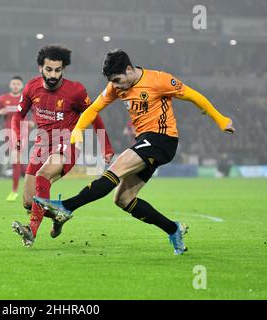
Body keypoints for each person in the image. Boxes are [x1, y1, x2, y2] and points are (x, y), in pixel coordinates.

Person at [34, 49, 235, 255]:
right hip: (145, 141)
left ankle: (67, 207)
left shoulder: (160, 80)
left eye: (119, 80)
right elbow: (93, 109)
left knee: (115, 169)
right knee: (123, 199)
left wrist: (220, 120)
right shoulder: (115, 86)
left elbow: (194, 96)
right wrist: (77, 132)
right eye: (113, 81)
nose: (117, 85)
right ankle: (173, 229)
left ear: (129, 69)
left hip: (162, 139)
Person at [11, 44, 114, 247]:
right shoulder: (32, 87)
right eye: (49, 69)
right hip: (42, 145)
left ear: (63, 70)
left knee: (43, 176)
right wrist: (16, 136)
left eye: (58, 70)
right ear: (41, 68)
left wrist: (106, 147)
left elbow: (93, 114)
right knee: (28, 202)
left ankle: (31, 231)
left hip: (67, 143)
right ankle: (59, 215)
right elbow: (18, 115)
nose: (53, 74)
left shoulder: (75, 91)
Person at [0, 76, 28, 201]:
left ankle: (14, 191)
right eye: (14, 83)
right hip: (8, 132)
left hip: (22, 132)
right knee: (19, 164)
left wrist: (34, 122)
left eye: (18, 84)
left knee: (15, 159)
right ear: (10, 85)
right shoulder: (3, 99)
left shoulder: (25, 97)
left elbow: (35, 111)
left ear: (22, 86)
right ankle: (33, 183)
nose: (16, 86)